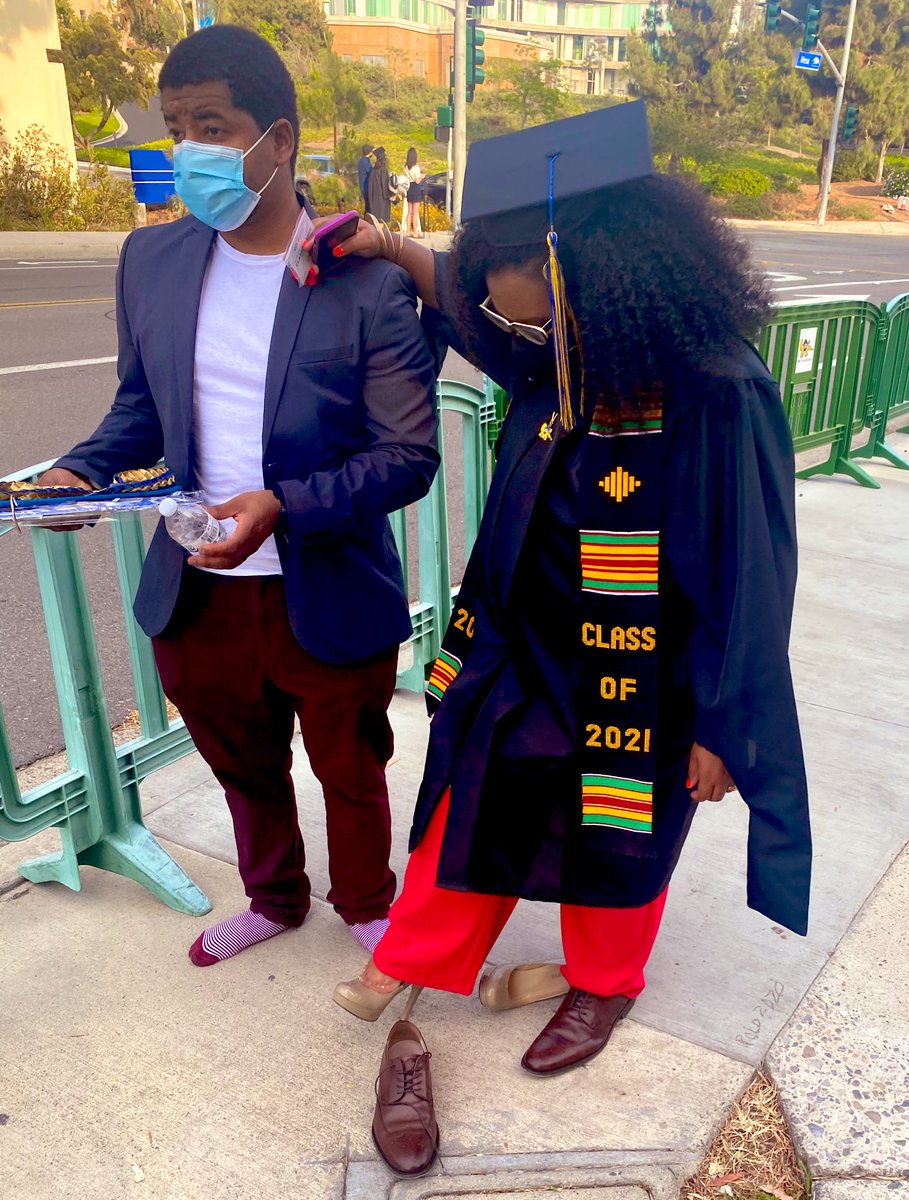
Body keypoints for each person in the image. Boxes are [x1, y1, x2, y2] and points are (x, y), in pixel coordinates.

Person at [328, 102, 812, 1177]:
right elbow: (474, 322)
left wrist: (727, 724)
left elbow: (753, 572)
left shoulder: (711, 388)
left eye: (498, 264)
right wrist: (393, 248)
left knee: (617, 835)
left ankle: (605, 984)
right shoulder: (572, 352)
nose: (486, 288)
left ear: (571, 262)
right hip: (523, 649)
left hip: (640, 681)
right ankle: (413, 958)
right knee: (476, 795)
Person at [39, 25, 440, 969]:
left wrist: (284, 503)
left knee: (350, 764)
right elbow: (139, 409)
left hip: (325, 580)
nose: (189, 151)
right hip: (199, 584)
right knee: (240, 760)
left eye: (211, 126)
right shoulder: (154, 261)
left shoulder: (364, 276)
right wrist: (79, 472)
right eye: (176, 126)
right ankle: (274, 897)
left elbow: (408, 454)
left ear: (279, 140)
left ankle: (368, 905)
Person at [402, 146, 425, 239]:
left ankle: (408, 231)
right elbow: (417, 181)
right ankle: (415, 231)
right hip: (415, 188)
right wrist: (422, 176)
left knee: (409, 211)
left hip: (409, 188)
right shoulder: (416, 168)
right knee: (415, 212)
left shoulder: (406, 167)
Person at [367, 146, 392, 226]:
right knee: (381, 222)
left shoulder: (374, 170)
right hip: (382, 200)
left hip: (374, 199)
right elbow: (385, 186)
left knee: (376, 222)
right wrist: (391, 195)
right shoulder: (383, 170)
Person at [358, 143, 374, 214]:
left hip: (363, 186)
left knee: (367, 207)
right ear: (369, 152)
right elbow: (370, 171)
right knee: (368, 207)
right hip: (366, 186)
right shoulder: (365, 161)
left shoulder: (361, 160)